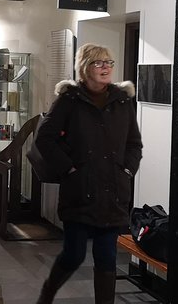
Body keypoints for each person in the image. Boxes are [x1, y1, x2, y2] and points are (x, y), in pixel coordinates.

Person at [34, 43, 142, 304]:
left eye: (109, 62)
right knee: (74, 255)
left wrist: (127, 170)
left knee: (107, 258)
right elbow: (45, 138)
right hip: (80, 192)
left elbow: (133, 143)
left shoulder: (122, 100)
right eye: (98, 62)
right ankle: (48, 292)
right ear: (84, 68)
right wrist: (69, 168)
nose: (106, 67)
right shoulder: (69, 100)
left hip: (113, 193)